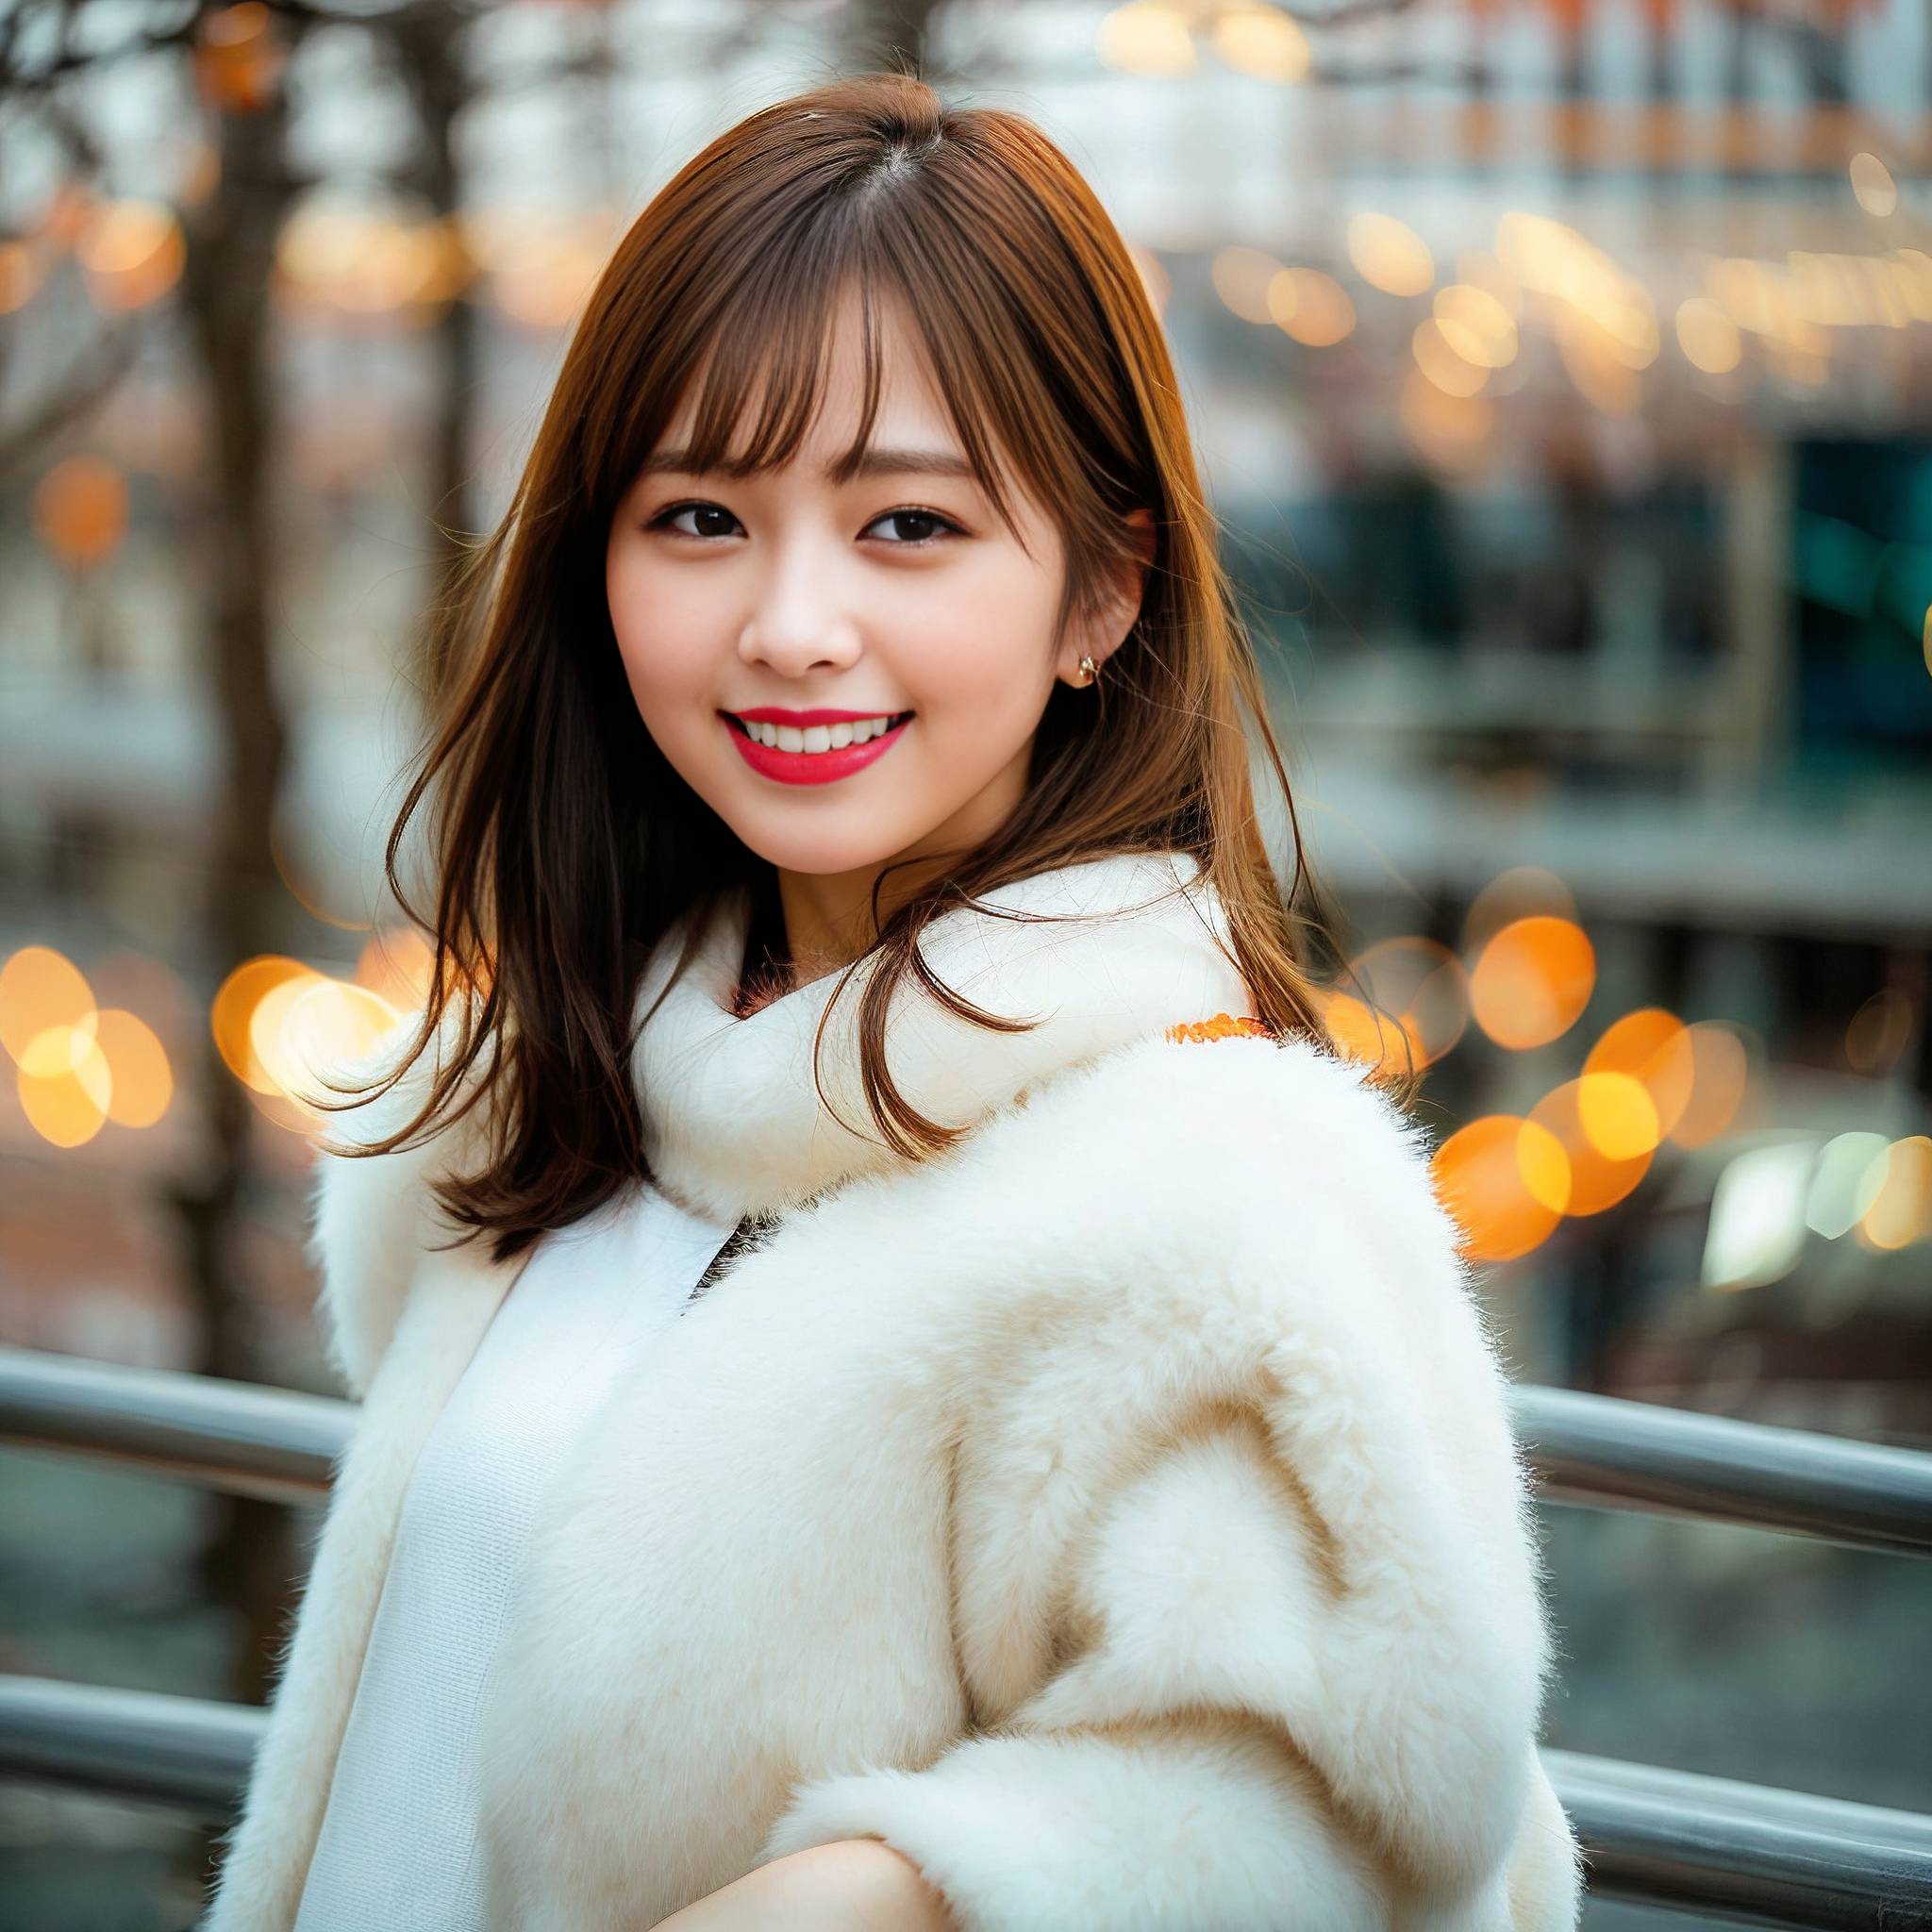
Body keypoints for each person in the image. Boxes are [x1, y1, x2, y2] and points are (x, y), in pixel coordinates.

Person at [200, 71, 1585, 1932]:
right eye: (696, 515)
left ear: (1100, 592)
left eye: (906, 526)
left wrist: (855, 1900)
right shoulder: (567, 1089)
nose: (786, 623)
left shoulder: (1197, 1180)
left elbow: (1334, 1785)